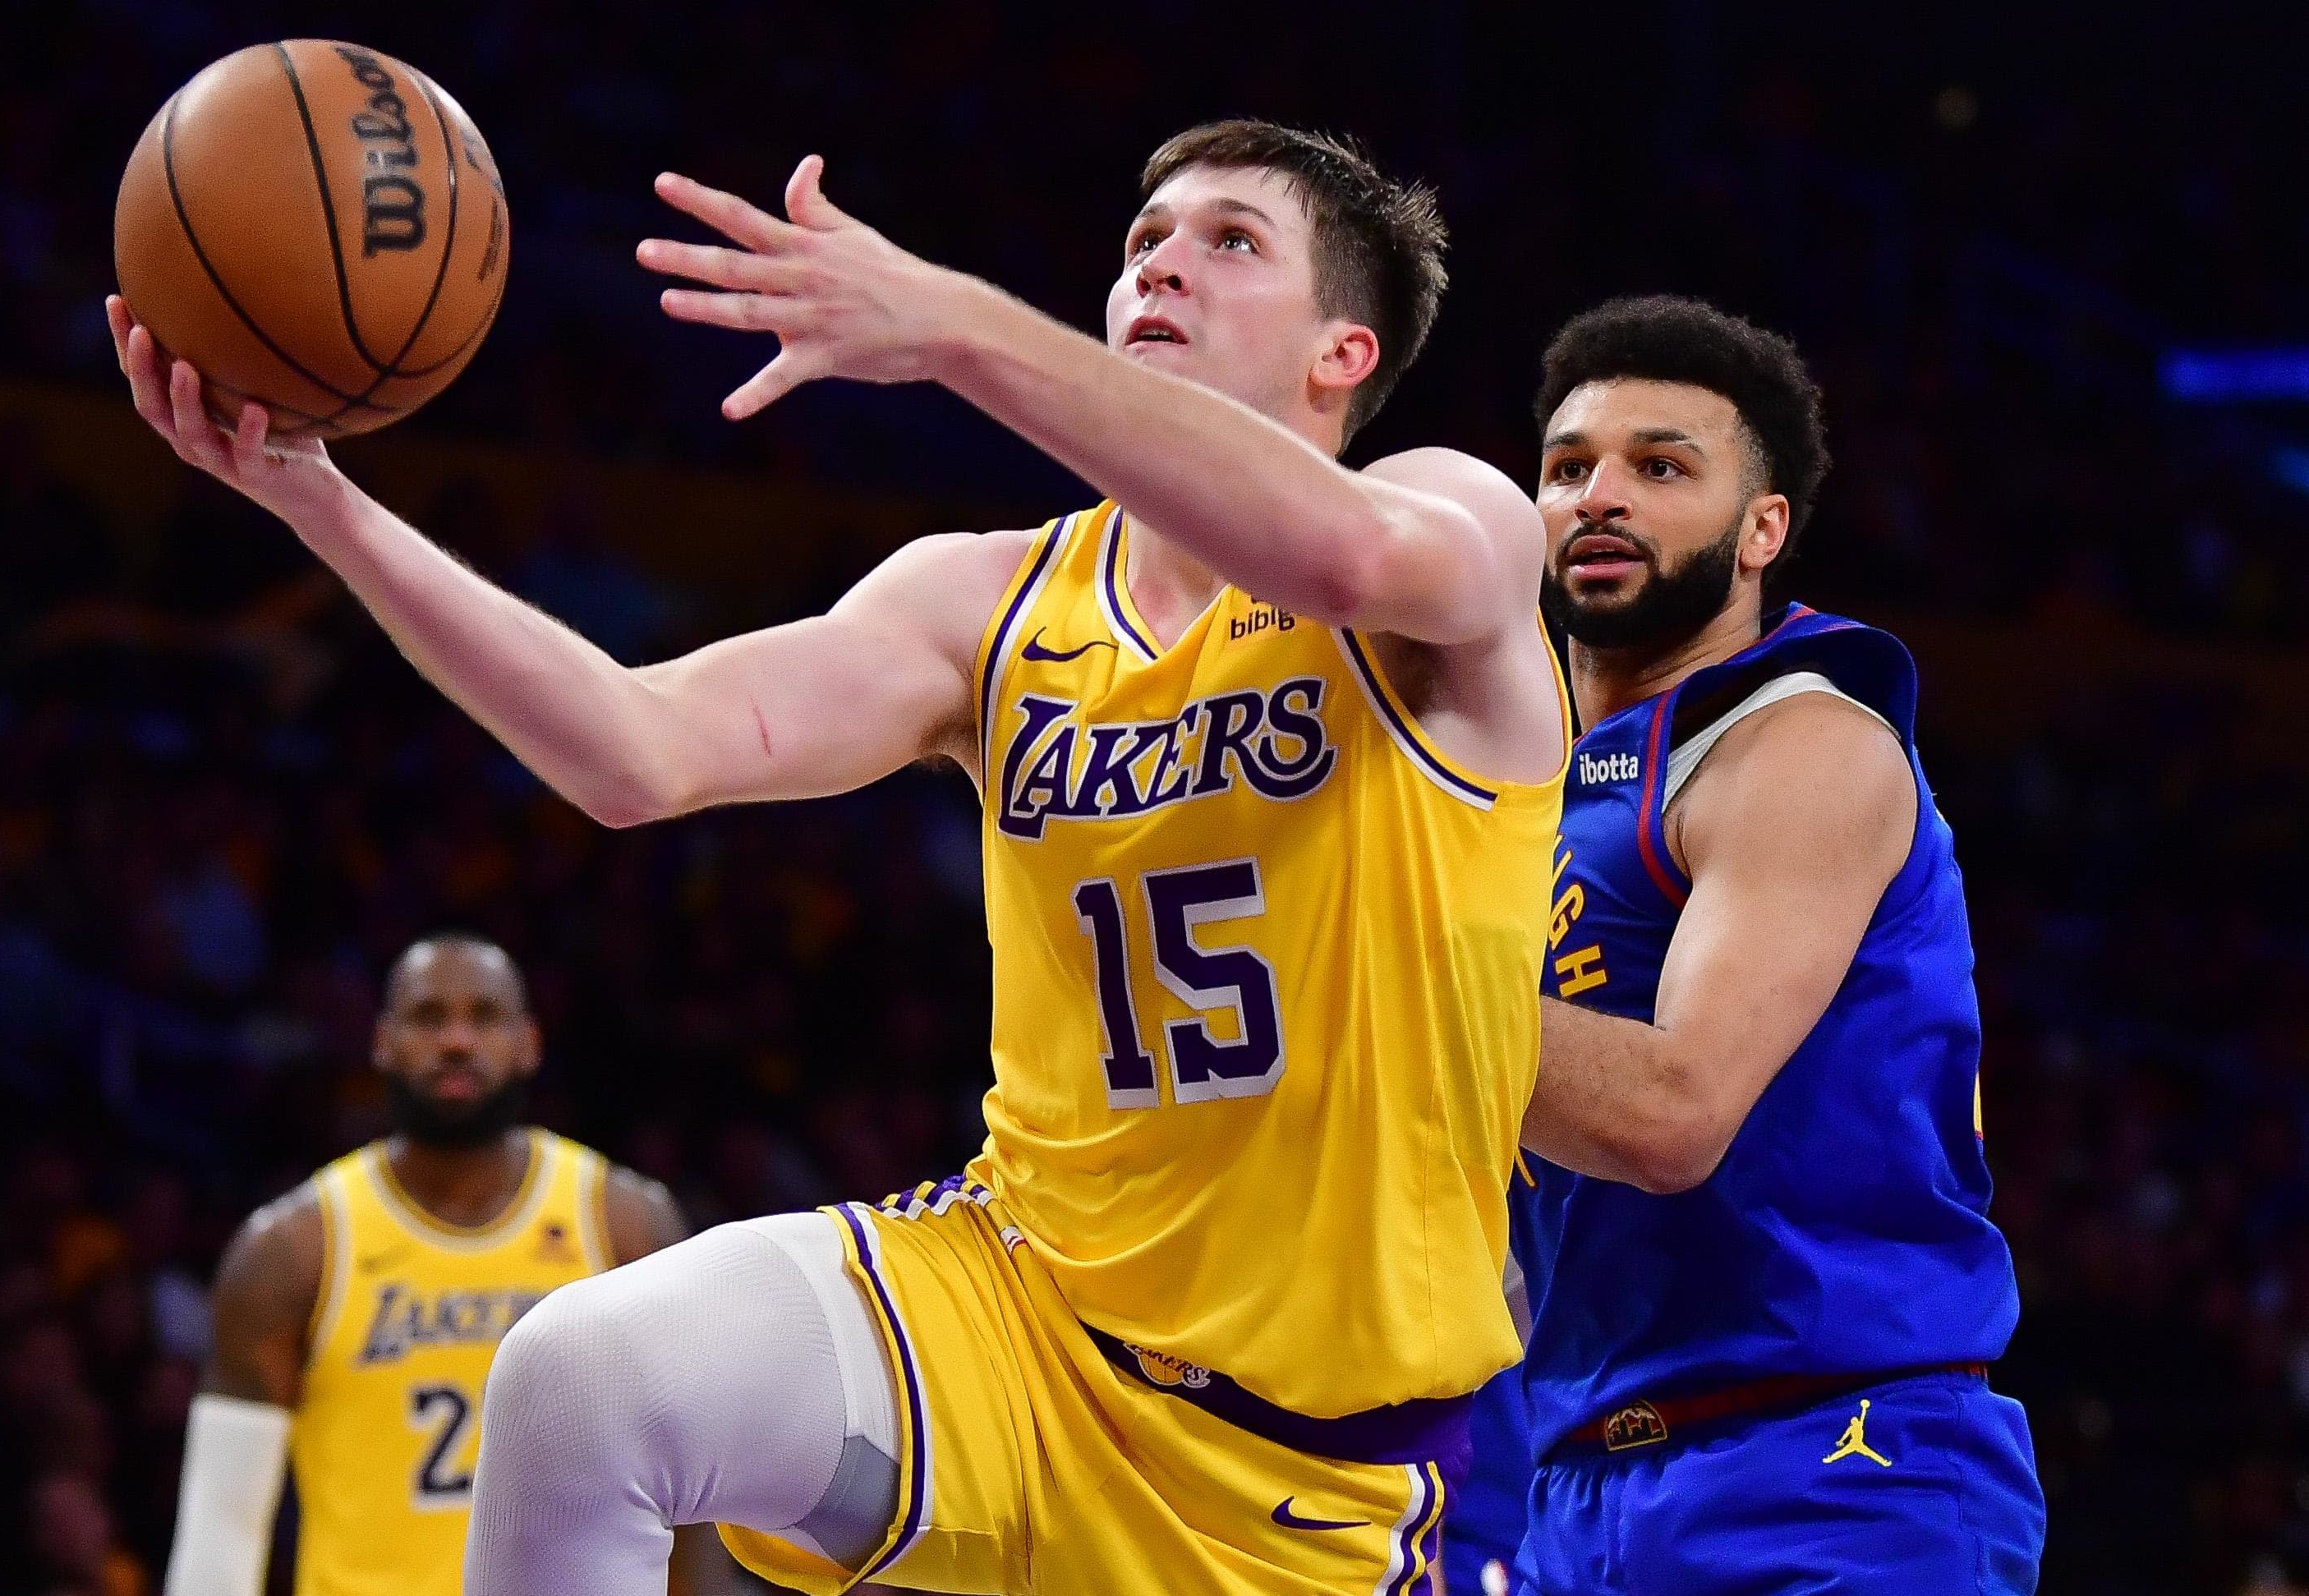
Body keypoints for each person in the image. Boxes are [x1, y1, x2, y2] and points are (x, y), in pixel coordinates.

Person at [109, 118, 1569, 1596]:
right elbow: (636, 749)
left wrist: (948, 325)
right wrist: (323, 501)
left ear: (1342, 354)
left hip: (1323, 1465)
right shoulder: (984, 602)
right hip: (1022, 1324)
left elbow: (1346, 559)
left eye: (1230, 241)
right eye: (1144, 242)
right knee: (582, 1374)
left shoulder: (1459, 525)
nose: (1162, 263)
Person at [1461, 297, 2043, 1594]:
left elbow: (1670, 1113)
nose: (1597, 496)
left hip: (1836, 1463)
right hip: (1568, 1488)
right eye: (1567, 468)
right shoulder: (1513, 792)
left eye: (1660, 467)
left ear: (1760, 528)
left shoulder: (1802, 740)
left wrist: (1369, 965)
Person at [157, 935, 725, 1595]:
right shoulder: (290, 1250)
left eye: (484, 1017)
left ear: (529, 1043)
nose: (457, 1040)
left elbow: (700, 1501)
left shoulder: (625, 1226)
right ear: (382, 1042)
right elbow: (223, 1528)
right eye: (429, 1018)